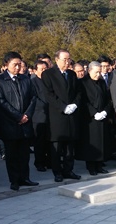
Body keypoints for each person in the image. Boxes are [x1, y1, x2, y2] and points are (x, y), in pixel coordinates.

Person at [0, 51, 38, 191]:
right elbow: (1, 102)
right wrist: (18, 116)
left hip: (25, 123)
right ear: (6, 65)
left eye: (19, 64)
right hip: (10, 123)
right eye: (14, 65)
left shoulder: (25, 79)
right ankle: (14, 180)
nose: (18, 68)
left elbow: (33, 98)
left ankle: (25, 178)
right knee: (12, 155)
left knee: (24, 154)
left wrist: (27, 115)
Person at [42, 49, 82, 182]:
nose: (67, 62)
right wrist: (63, 107)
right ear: (57, 60)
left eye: (69, 59)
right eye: (64, 59)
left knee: (70, 147)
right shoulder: (48, 74)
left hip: (71, 114)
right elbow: (49, 95)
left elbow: (78, 92)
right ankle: (57, 172)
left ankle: (68, 170)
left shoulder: (71, 74)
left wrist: (75, 104)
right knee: (57, 147)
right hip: (57, 115)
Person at [77, 61, 111, 175]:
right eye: (96, 72)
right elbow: (83, 101)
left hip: (102, 116)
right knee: (91, 142)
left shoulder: (101, 82)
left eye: (100, 72)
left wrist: (105, 111)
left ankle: (100, 165)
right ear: (89, 70)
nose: (98, 75)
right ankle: (91, 166)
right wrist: (94, 113)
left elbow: (107, 98)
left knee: (102, 141)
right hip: (90, 118)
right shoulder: (83, 83)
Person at [30, 60, 50, 172]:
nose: (44, 71)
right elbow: (34, 99)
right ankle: (39, 162)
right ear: (35, 70)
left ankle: (49, 160)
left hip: (50, 114)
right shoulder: (33, 82)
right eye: (41, 69)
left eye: (45, 69)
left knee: (49, 140)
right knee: (40, 141)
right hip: (39, 115)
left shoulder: (49, 81)